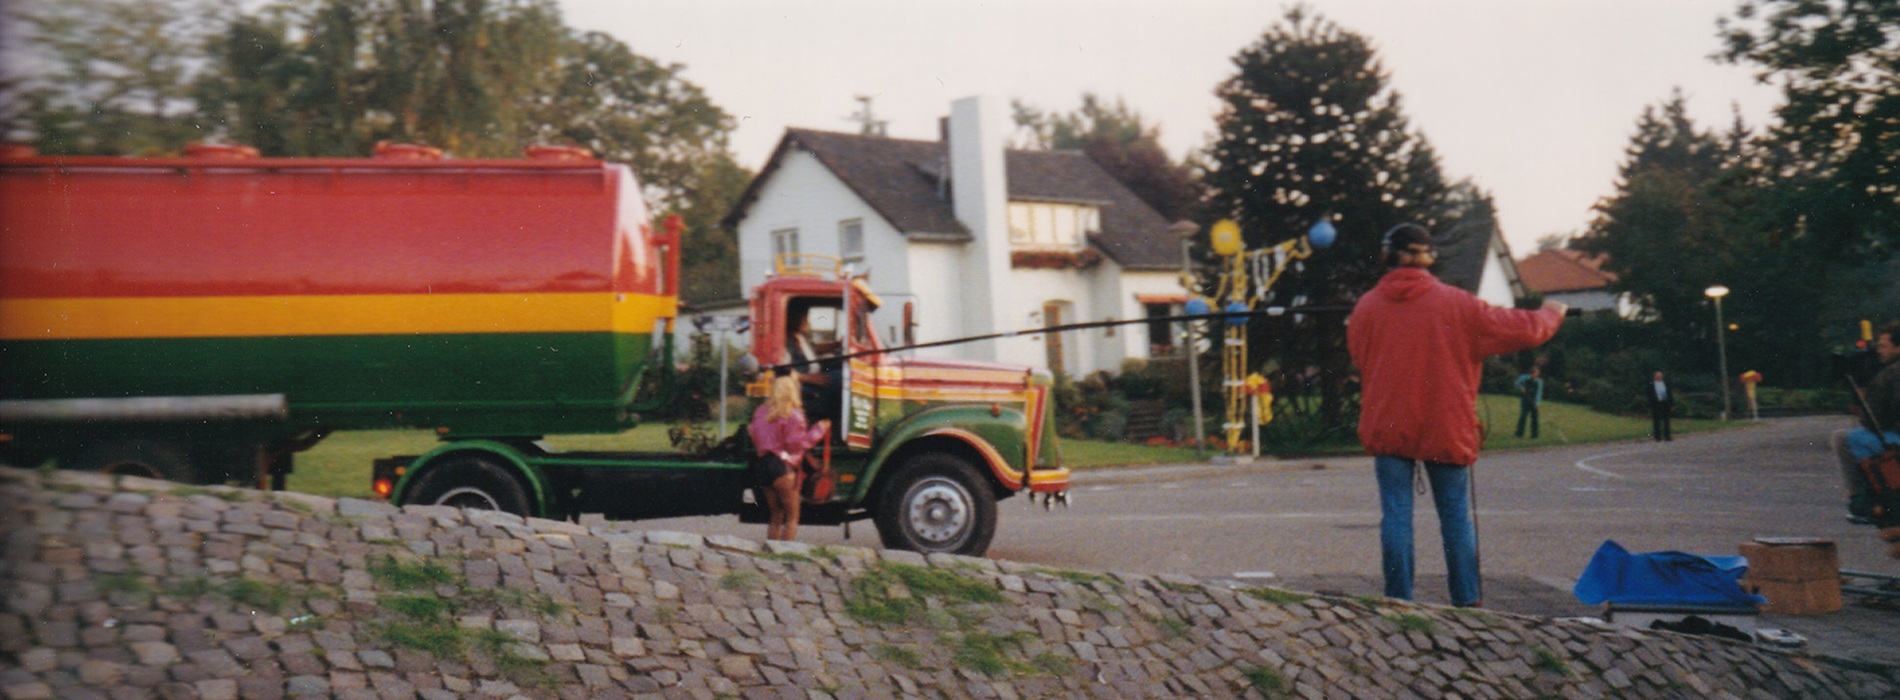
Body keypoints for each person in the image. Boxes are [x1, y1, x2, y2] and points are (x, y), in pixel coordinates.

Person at [1349, 223, 1566, 608]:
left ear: (1387, 255)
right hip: (1445, 425)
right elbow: (1521, 329)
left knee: (1396, 517)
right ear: (1429, 257)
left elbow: (1359, 358)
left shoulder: (1366, 307)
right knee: (1456, 519)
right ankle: (1466, 603)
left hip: (1389, 424)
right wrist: (1551, 314)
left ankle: (1398, 602)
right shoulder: (1459, 304)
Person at [749, 373, 831, 541]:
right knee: (792, 517)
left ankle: (771, 551)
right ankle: (787, 552)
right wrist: (819, 429)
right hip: (782, 467)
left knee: (775, 515)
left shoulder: (761, 412)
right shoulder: (793, 414)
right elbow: (797, 444)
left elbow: (754, 434)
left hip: (763, 466)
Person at [1836, 322, 1900, 524]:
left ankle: (1862, 500)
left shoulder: (1891, 374)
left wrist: (1862, 396)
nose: (1878, 351)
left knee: (1844, 439)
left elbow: (1872, 419)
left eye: (1883, 345)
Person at [1514, 367, 1543, 439]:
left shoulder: (1539, 381)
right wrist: (1521, 388)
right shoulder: (1524, 378)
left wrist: (1537, 403)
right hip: (1525, 400)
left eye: (1538, 374)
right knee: (1523, 416)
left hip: (1534, 401)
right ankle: (1519, 433)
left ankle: (1534, 435)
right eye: (1536, 373)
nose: (1537, 375)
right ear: (1531, 373)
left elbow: (1539, 393)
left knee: (1535, 418)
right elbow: (1517, 384)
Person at [1645, 371, 1674, 442]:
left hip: (1665, 403)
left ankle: (1667, 436)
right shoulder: (1651, 384)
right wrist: (1650, 404)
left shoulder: (1665, 384)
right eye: (1657, 376)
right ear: (1654, 377)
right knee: (1657, 421)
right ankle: (1657, 437)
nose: (1659, 377)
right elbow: (1649, 395)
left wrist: (1671, 404)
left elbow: (1669, 394)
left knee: (1666, 421)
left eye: (1660, 376)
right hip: (1656, 403)